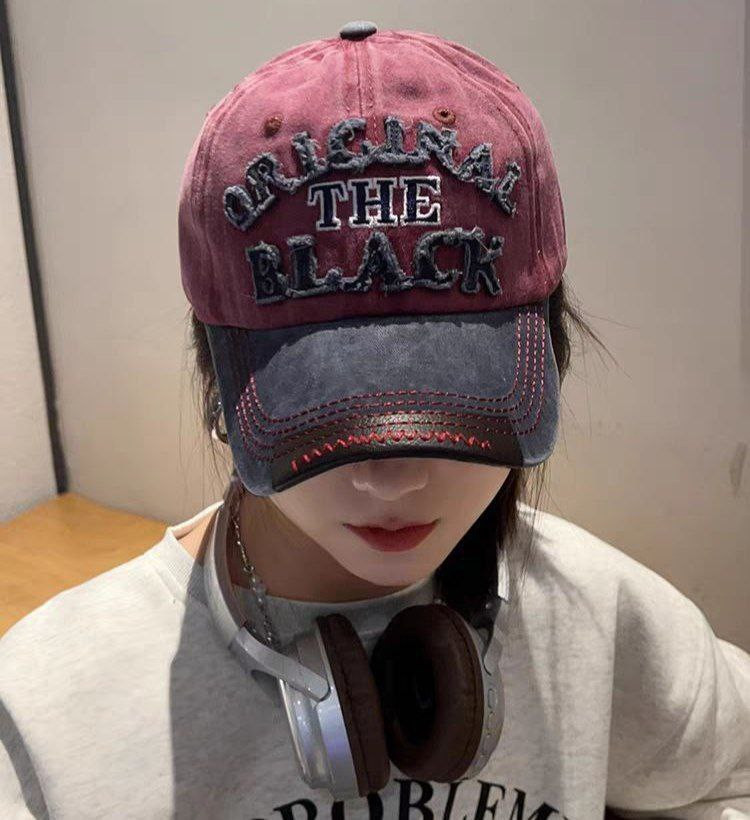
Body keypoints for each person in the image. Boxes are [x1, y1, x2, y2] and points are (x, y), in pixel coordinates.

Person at [2, 20, 749, 820]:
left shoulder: (600, 618)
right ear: (218, 380)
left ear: (551, 348)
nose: (393, 478)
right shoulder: (50, 722)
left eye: (455, 403)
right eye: (323, 413)